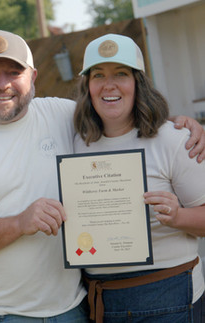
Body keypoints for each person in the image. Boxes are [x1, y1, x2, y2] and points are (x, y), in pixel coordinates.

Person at [0, 30, 205, 323]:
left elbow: (120, 115)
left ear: (33, 76)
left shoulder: (61, 115)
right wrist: (18, 223)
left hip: (76, 308)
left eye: (14, 72)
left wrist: (179, 124)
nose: (2, 84)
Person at [73, 33, 205, 323]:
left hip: (170, 295)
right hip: (101, 301)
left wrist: (178, 216)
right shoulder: (73, 143)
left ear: (138, 83)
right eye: (98, 75)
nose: (109, 85)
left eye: (121, 73)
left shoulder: (174, 141)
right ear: (88, 86)